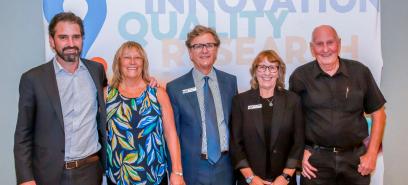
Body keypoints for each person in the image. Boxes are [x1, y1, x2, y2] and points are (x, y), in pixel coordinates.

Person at [14, 12, 107, 185]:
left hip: (91, 171)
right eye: (63, 37)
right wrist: (26, 178)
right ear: (52, 40)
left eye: (76, 37)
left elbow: (119, 89)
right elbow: (23, 135)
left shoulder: (96, 71)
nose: (71, 44)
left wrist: (150, 81)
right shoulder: (33, 79)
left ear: (82, 39)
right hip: (49, 173)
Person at [289, 25, 387, 185]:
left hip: (355, 161)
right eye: (319, 44)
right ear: (312, 48)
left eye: (330, 42)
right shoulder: (300, 77)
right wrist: (300, 152)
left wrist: (372, 154)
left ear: (339, 44)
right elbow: (292, 120)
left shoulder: (360, 72)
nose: (325, 49)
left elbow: (379, 114)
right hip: (316, 163)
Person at [105, 41, 185, 185]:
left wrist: (177, 172)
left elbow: (171, 134)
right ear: (118, 62)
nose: (132, 62)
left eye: (138, 57)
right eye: (127, 57)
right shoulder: (107, 95)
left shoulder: (158, 93)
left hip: (154, 177)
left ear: (144, 63)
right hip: (118, 178)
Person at [166, 25, 238, 185]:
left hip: (226, 167)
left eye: (209, 45)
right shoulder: (175, 88)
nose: (204, 50)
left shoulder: (230, 82)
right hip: (192, 170)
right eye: (198, 46)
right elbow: (172, 135)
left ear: (216, 50)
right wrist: (175, 172)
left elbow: (236, 127)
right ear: (190, 53)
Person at [230, 50, 304, 185]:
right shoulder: (240, 101)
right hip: (250, 181)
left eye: (272, 67)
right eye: (262, 67)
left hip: (283, 181)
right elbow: (236, 145)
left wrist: (285, 177)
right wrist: (251, 178)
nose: (267, 72)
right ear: (255, 71)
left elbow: (298, 143)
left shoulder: (293, 101)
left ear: (279, 72)